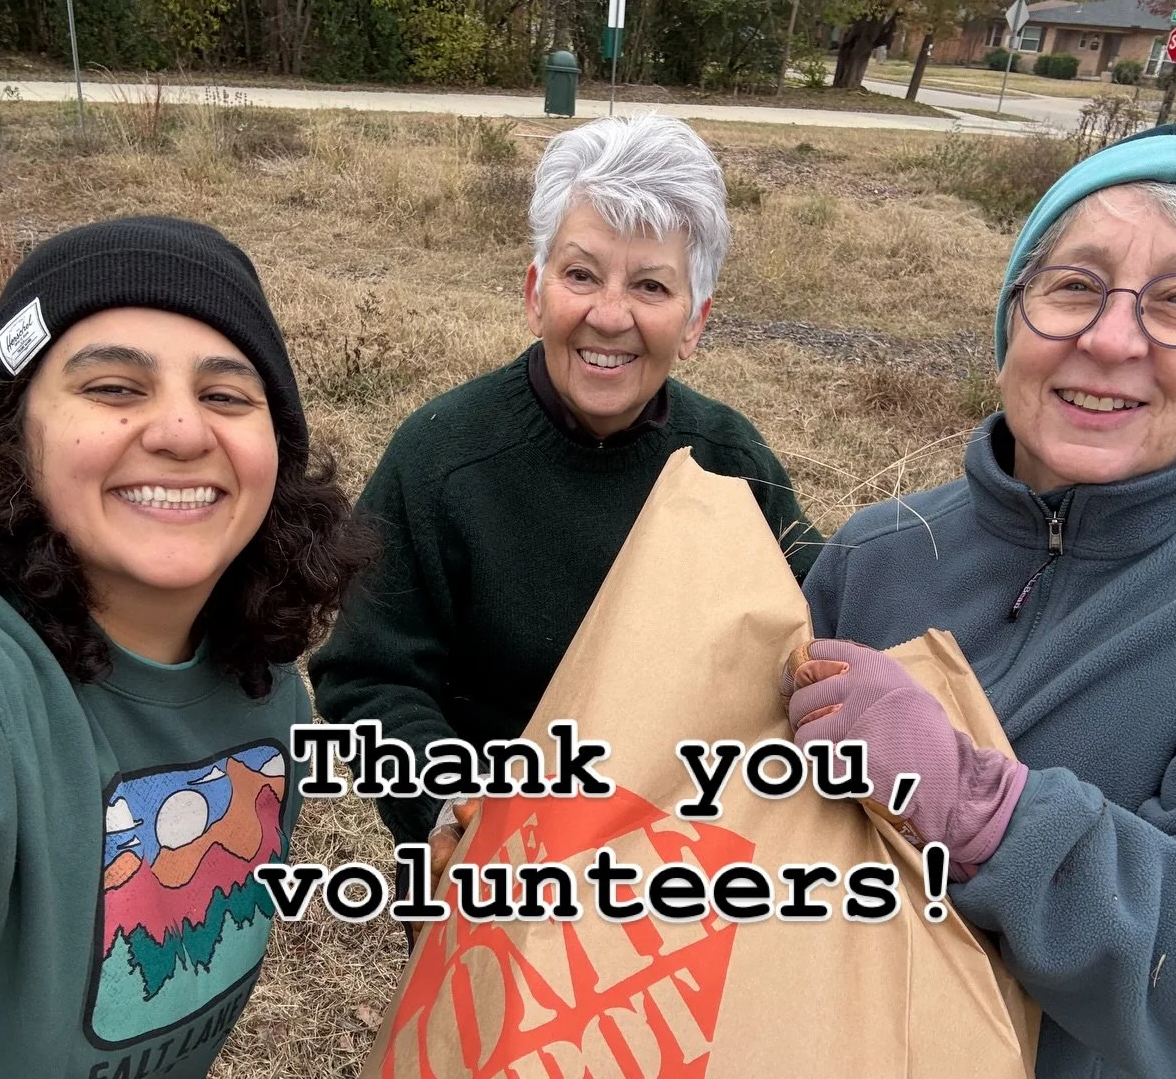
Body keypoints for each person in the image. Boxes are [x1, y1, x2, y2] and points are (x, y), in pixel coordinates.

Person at [788, 125, 1176, 1078]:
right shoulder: (875, 553)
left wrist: (986, 812)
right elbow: (720, 817)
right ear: (1012, 318)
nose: (1112, 338)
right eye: (1074, 285)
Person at [0, 217, 374, 1077]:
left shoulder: (269, 694)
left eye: (227, 396)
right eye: (113, 388)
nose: (183, 432)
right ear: (8, 438)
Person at [310, 113, 822, 907]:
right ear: (534, 291)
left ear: (695, 322)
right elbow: (366, 675)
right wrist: (445, 809)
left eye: (650, 285)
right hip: (492, 880)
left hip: (683, 875)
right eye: (582, 275)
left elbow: (811, 635)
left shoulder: (730, 464)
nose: (610, 315)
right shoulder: (443, 457)